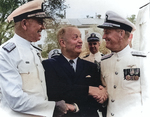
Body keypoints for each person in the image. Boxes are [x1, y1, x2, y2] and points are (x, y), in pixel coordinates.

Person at [0, 0, 68, 117]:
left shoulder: (35, 51)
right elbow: (15, 100)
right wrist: (53, 107)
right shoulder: (5, 53)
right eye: (40, 22)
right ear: (24, 24)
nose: (44, 27)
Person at [42, 26, 108, 117]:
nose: (80, 41)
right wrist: (88, 90)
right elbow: (56, 91)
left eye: (80, 37)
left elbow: (96, 99)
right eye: (75, 37)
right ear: (63, 42)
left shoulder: (91, 67)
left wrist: (102, 96)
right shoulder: (49, 65)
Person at [98, 11, 150, 117]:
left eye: (107, 32)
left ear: (121, 34)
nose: (103, 36)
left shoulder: (143, 60)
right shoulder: (104, 62)